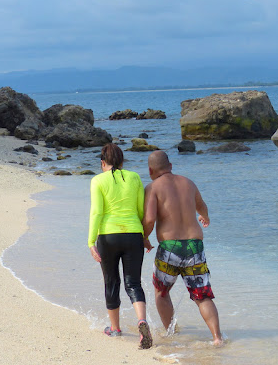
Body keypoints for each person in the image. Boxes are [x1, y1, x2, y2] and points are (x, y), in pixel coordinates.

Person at [143, 150, 223, 346]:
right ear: (170, 166)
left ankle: (171, 334)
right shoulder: (188, 183)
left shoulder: (152, 188)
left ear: (150, 170)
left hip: (170, 247)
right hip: (195, 246)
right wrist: (205, 216)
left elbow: (150, 218)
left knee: (162, 293)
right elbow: (202, 206)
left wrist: (144, 237)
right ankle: (217, 338)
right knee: (203, 297)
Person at [88, 143, 153, 350]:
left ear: (102, 163)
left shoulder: (97, 180)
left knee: (111, 281)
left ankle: (115, 328)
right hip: (133, 234)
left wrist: (91, 241)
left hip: (108, 237)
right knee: (133, 282)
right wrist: (143, 235)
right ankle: (142, 321)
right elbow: (141, 210)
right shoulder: (134, 177)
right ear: (123, 162)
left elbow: (97, 212)